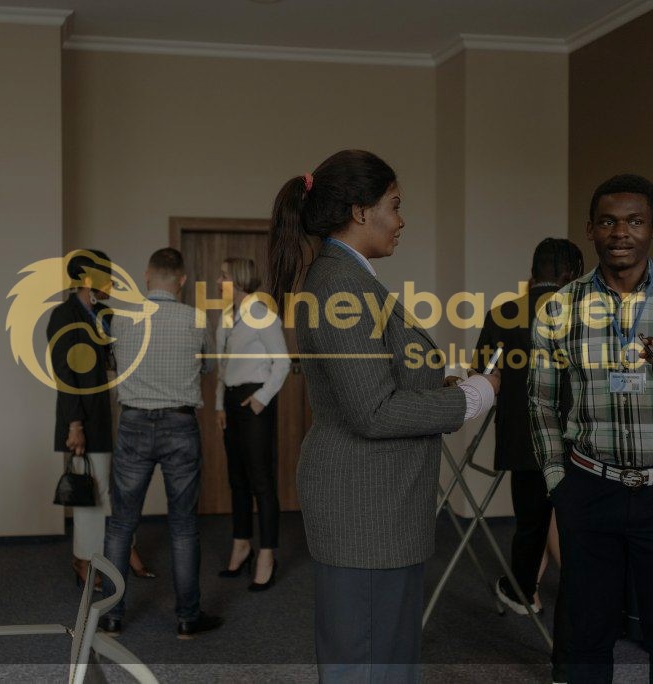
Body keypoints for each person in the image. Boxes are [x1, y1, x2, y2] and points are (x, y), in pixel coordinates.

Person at [267, 149, 500, 681]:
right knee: (368, 659)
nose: (401, 220)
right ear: (360, 211)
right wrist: (476, 394)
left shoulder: (350, 279)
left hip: (378, 503)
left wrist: (436, 384)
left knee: (384, 654)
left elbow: (374, 379)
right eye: (394, 206)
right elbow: (372, 411)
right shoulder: (338, 285)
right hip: (364, 505)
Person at [529, 174, 653, 683]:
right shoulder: (560, 309)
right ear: (590, 230)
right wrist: (560, 483)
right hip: (589, 490)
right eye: (608, 221)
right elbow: (542, 402)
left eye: (635, 221)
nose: (621, 232)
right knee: (586, 637)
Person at [98, 247, 222, 639]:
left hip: (134, 423)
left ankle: (112, 616)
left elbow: (114, 363)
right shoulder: (197, 318)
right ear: (182, 280)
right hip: (180, 425)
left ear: (147, 276)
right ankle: (187, 619)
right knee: (184, 526)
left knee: (120, 525)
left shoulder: (122, 318)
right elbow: (208, 365)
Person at [474, 237, 583, 684]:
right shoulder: (584, 312)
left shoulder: (503, 313)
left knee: (531, 524)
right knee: (579, 533)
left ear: (531, 270)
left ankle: (522, 589)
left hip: (523, 442)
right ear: (571, 274)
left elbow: (484, 374)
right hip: (580, 440)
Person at [214, 257, 291, 590]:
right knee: (237, 479)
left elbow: (283, 362)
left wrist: (261, 398)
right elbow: (222, 366)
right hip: (231, 401)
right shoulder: (226, 317)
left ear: (239, 280)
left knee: (261, 480)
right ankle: (242, 544)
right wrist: (219, 405)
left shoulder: (262, 315)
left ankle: (267, 554)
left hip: (255, 401)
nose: (219, 281)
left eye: (224, 275)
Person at [46, 249, 114, 589]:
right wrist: (75, 424)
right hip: (81, 420)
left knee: (102, 488)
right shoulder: (63, 315)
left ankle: (95, 556)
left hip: (102, 415)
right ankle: (84, 560)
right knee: (91, 492)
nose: (113, 282)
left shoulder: (101, 314)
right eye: (107, 275)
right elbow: (64, 373)